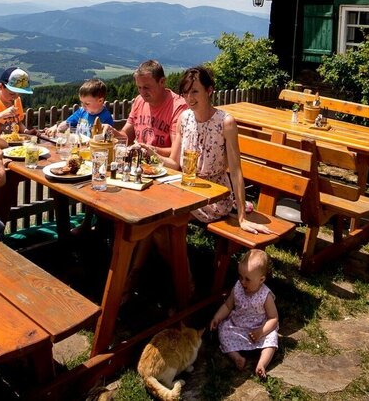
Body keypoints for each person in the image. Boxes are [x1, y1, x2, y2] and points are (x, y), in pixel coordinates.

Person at [168, 65, 271, 234]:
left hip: (213, 197)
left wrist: (242, 218)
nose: (188, 98)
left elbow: (236, 171)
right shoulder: (184, 118)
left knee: (167, 221)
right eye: (185, 92)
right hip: (187, 189)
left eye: (194, 91)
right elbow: (173, 163)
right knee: (155, 217)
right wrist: (150, 154)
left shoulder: (225, 122)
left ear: (209, 91)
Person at [210, 249, 280, 379]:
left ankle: (262, 364)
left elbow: (273, 318)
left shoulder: (265, 295)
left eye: (247, 279)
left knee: (272, 337)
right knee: (224, 331)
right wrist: (218, 316)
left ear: (261, 279)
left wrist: (261, 331)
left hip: (259, 330)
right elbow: (228, 305)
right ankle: (237, 357)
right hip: (238, 326)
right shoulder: (238, 287)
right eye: (240, 277)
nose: (242, 282)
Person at [112, 60, 187, 158]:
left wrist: (150, 150)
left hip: (164, 168)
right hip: (139, 165)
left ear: (162, 82)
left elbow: (177, 151)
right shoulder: (139, 101)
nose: (142, 92)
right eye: (139, 87)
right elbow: (127, 137)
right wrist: (113, 133)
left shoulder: (178, 107)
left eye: (146, 87)